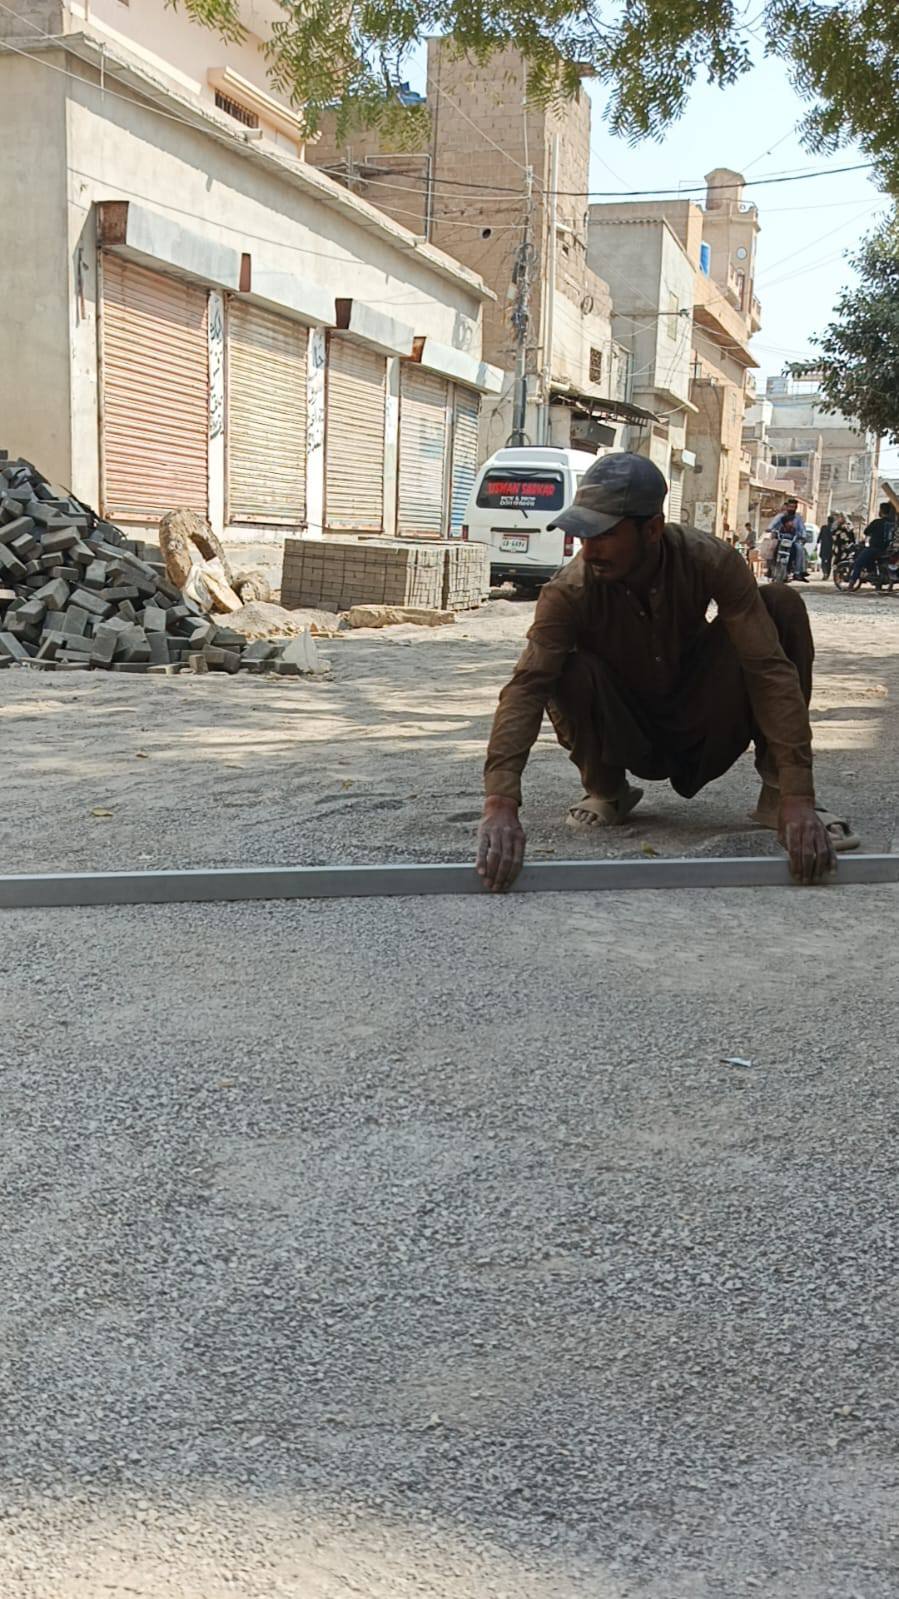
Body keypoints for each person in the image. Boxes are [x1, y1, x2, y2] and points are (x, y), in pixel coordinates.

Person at [476, 452, 858, 893]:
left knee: (781, 605)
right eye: (583, 535)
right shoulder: (568, 591)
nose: (590, 550)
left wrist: (799, 793)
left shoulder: (710, 560)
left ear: (653, 529)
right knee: (560, 666)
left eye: (605, 534)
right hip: (627, 729)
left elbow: (768, 669)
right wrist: (500, 802)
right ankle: (606, 790)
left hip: (701, 717)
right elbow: (526, 689)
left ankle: (778, 798)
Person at [848, 502, 897, 590]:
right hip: (886, 550)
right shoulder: (892, 524)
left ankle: (851, 584)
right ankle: (877, 583)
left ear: (881, 511)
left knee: (858, 563)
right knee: (872, 561)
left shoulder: (877, 522)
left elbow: (866, 532)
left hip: (874, 548)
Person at [768, 498, 809, 580]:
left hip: (793, 540)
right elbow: (773, 524)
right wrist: (770, 529)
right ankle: (770, 569)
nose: (791, 509)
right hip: (781, 538)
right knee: (771, 548)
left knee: (799, 549)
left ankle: (797, 572)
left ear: (796, 508)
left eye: (793, 507)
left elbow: (802, 529)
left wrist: (803, 536)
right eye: (790, 506)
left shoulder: (798, 518)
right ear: (787, 507)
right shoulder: (781, 516)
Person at [817, 513, 839, 581]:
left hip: (824, 547)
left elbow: (819, 537)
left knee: (823, 561)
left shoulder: (824, 528)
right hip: (830, 547)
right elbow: (835, 539)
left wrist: (817, 543)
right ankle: (827, 574)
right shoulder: (833, 529)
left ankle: (825, 573)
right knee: (829, 561)